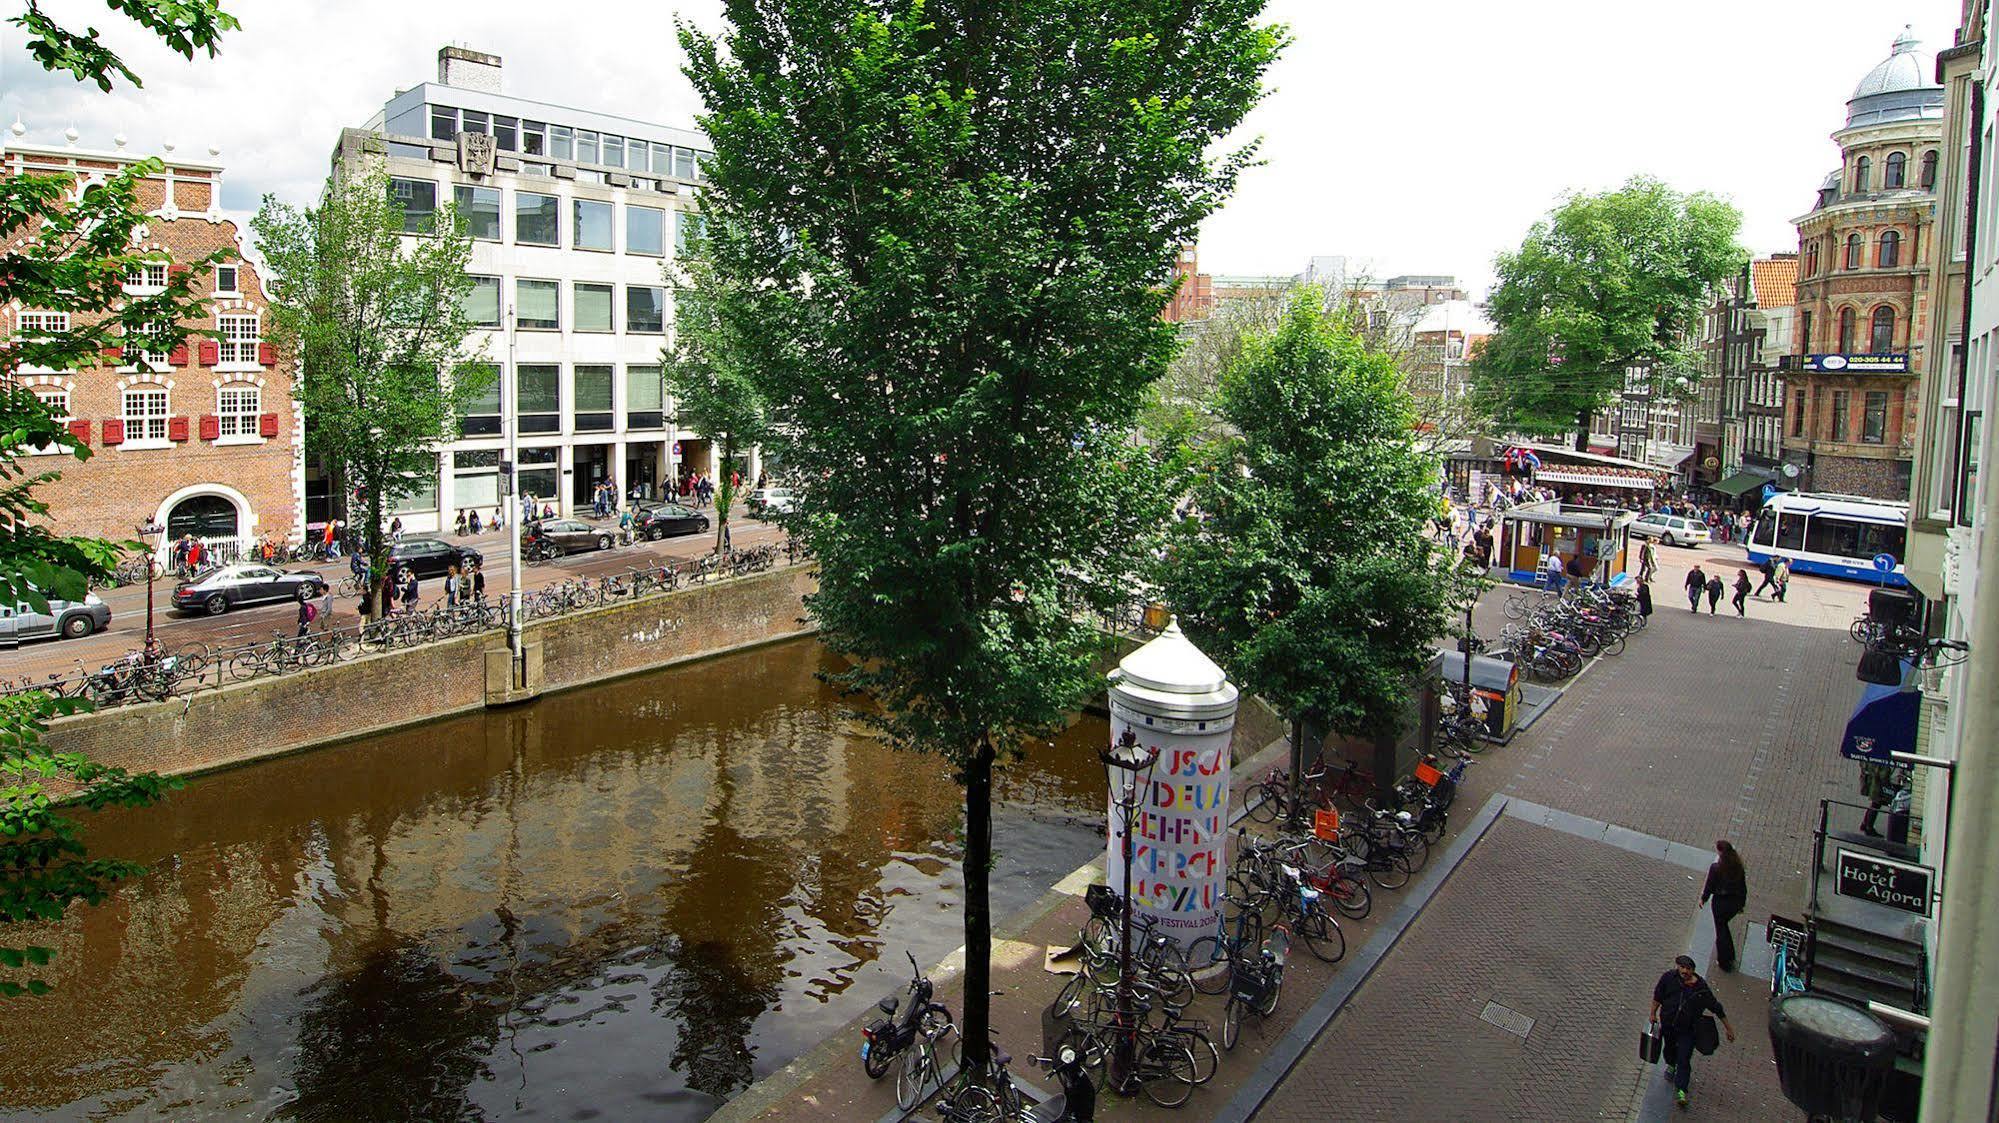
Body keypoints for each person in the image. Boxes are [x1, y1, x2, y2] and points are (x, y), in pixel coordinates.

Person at [1650, 955, 1735, 1109]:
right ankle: (1671, 1064)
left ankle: (1682, 1089)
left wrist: (1728, 1028)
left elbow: (1716, 1007)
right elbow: (1658, 995)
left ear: (1693, 970)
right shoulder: (1669, 978)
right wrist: (1653, 1013)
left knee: (1684, 1057)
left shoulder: (1701, 989)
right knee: (1669, 1049)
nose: (1684, 971)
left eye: (1688, 969)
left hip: (1688, 1030)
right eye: (1682, 967)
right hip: (1669, 1025)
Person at [1701, 842, 1748, 972]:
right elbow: (1743, 888)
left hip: (1720, 903)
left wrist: (1703, 899)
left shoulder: (1716, 868)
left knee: (1721, 931)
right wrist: (1741, 904)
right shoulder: (1738, 867)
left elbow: (1709, 885)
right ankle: (1730, 955)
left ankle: (1724, 960)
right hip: (1735, 902)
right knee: (1724, 927)